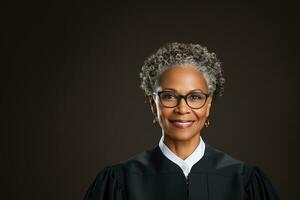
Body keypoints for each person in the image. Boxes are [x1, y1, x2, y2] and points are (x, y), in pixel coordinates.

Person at [84, 42, 280, 200]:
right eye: (169, 96)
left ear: (208, 105)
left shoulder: (244, 181)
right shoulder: (121, 181)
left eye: (195, 97)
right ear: (153, 104)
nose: (183, 109)